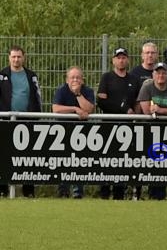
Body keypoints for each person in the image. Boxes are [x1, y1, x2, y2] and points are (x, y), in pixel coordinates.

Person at [97, 47, 140, 200]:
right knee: (106, 160)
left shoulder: (133, 80)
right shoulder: (107, 78)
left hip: (127, 127)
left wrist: (134, 113)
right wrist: (123, 108)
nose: (121, 60)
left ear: (127, 60)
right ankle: (103, 193)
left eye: (123, 57)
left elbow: (136, 102)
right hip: (109, 125)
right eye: (118, 57)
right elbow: (101, 101)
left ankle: (119, 194)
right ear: (113, 60)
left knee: (123, 160)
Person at [0, 45, 42, 198]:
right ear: (9, 58)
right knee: (3, 155)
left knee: (27, 156)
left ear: (24, 58)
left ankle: (28, 191)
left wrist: (36, 116)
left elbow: (37, 97)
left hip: (27, 121)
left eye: (19, 56)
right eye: (13, 57)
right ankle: (3, 189)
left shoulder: (31, 76)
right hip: (5, 121)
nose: (16, 59)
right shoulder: (2, 75)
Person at [137, 62, 167, 200]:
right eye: (158, 73)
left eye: (163, 73)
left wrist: (161, 110)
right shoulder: (147, 86)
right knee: (150, 162)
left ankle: (164, 194)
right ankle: (143, 193)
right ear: (153, 74)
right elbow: (146, 110)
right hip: (150, 130)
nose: (160, 75)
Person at [52, 66, 96, 198]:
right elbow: (56, 109)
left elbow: (89, 109)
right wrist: (75, 109)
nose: (75, 80)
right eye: (72, 77)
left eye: (78, 77)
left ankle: (78, 192)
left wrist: (78, 94)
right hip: (63, 133)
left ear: (82, 80)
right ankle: (63, 192)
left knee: (79, 162)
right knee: (63, 162)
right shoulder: (61, 90)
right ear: (67, 80)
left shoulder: (87, 91)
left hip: (81, 133)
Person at [130, 42, 159, 200]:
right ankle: (137, 191)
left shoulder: (162, 71)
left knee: (157, 156)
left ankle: (155, 193)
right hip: (141, 121)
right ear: (142, 55)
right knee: (139, 158)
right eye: (147, 52)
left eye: (152, 52)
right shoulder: (135, 73)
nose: (150, 55)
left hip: (158, 122)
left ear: (157, 54)